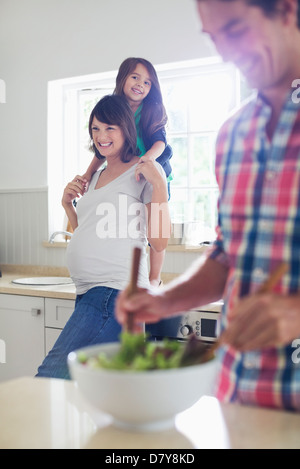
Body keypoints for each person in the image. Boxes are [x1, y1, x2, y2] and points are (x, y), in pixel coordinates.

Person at [116, 0, 300, 411]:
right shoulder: (234, 134)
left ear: (286, 10)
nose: (225, 54)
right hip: (238, 396)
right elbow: (228, 254)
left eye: (234, 31)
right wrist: (163, 300)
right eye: (214, 39)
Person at [36, 94, 170, 379]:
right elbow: (87, 230)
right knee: (94, 391)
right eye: (95, 128)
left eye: (109, 128)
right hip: (88, 292)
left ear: (125, 128)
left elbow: (158, 241)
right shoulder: (96, 176)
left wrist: (159, 184)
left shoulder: (144, 171)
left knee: (52, 375)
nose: (101, 136)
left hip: (115, 291)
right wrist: (67, 206)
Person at [81, 57, 173, 289]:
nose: (141, 84)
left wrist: (147, 163)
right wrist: (87, 174)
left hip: (151, 167)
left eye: (148, 82)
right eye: (135, 77)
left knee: (154, 224)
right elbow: (101, 149)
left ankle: (154, 277)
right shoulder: (114, 110)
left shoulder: (151, 110)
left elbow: (160, 143)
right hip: (127, 171)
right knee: (135, 224)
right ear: (122, 78)